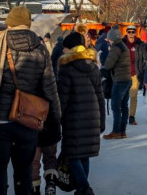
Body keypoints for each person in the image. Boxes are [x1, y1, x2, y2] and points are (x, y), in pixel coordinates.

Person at [0, 6, 62, 195]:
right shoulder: (40, 49)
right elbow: (50, 88)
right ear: (28, 24)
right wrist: (54, 122)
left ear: (9, 24)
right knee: (24, 173)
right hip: (27, 121)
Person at [57, 32, 106, 195]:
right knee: (84, 155)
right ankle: (81, 189)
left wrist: (57, 118)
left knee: (72, 155)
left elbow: (63, 98)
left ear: (70, 49)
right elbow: (100, 95)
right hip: (92, 118)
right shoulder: (92, 66)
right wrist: (101, 120)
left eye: (65, 48)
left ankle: (84, 188)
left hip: (74, 119)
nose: (63, 51)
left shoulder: (66, 68)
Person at [32, 33, 61, 195]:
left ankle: (35, 188)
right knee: (50, 157)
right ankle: (50, 183)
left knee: (34, 161)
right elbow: (55, 101)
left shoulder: (27, 77)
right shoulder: (52, 76)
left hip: (33, 122)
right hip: (50, 122)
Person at [102, 27, 132, 139]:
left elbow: (108, 65)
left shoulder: (115, 48)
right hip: (127, 78)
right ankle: (122, 131)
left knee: (115, 106)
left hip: (119, 80)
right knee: (124, 106)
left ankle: (116, 131)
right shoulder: (123, 45)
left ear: (112, 38)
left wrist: (102, 62)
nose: (108, 41)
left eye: (109, 39)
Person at [123, 25, 147, 126]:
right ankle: (123, 114)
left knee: (133, 96)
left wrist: (142, 69)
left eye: (133, 32)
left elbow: (145, 58)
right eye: (129, 32)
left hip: (135, 74)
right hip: (123, 74)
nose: (131, 34)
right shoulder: (122, 43)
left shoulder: (140, 44)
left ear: (135, 33)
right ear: (126, 33)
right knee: (123, 96)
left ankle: (131, 116)